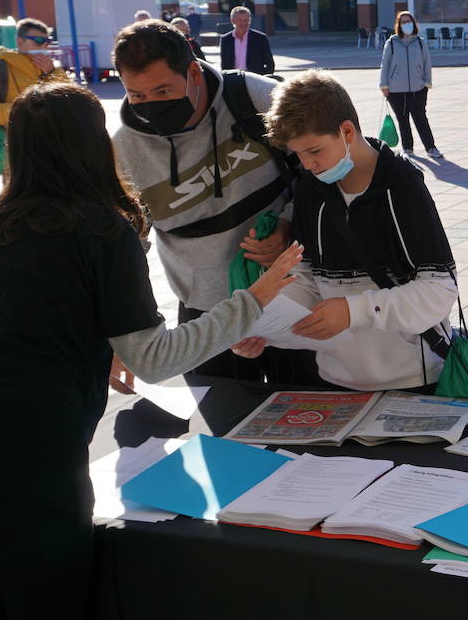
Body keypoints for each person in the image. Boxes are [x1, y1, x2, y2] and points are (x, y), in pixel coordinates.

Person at [0, 81, 301, 620]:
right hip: (28, 474)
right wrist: (250, 301)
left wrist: (84, 339)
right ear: (92, 146)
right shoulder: (100, 229)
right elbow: (154, 359)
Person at [112, 20, 317, 384]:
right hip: (206, 311)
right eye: (137, 96)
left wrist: (288, 222)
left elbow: (319, 170)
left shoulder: (255, 99)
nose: (152, 105)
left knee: (305, 400)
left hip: (289, 291)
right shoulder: (124, 152)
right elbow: (125, 249)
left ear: (193, 72)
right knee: (222, 407)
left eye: (163, 90)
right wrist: (124, 338)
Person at [246, 71, 460, 389]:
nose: (307, 164)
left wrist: (353, 311)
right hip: (334, 378)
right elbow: (305, 277)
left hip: (413, 379)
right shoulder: (309, 190)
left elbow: (439, 289)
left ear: (347, 131)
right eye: (298, 154)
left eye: (314, 151)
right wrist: (261, 325)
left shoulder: (402, 186)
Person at [0, 18, 67, 140]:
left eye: (48, 41)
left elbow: (68, 100)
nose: (44, 46)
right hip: (13, 142)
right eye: (38, 41)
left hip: (49, 139)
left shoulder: (50, 67)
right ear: (20, 42)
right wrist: (20, 110)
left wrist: (53, 72)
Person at [380, 10, 442, 159]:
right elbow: (385, 65)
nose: (406, 24)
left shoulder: (420, 42)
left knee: (421, 119)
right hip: (395, 90)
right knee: (403, 120)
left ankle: (431, 148)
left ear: (413, 24)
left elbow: (427, 63)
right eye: (403, 22)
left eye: (409, 21)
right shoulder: (392, 43)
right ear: (398, 25)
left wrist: (427, 83)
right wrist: (384, 85)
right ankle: (407, 149)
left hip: (418, 89)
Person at [219, 5, 275, 75]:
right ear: (232, 21)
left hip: (255, 78)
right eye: (240, 20)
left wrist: (263, 78)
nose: (243, 23)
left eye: (246, 20)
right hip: (234, 78)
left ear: (249, 21)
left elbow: (270, 63)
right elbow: (224, 65)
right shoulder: (225, 40)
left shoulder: (260, 38)